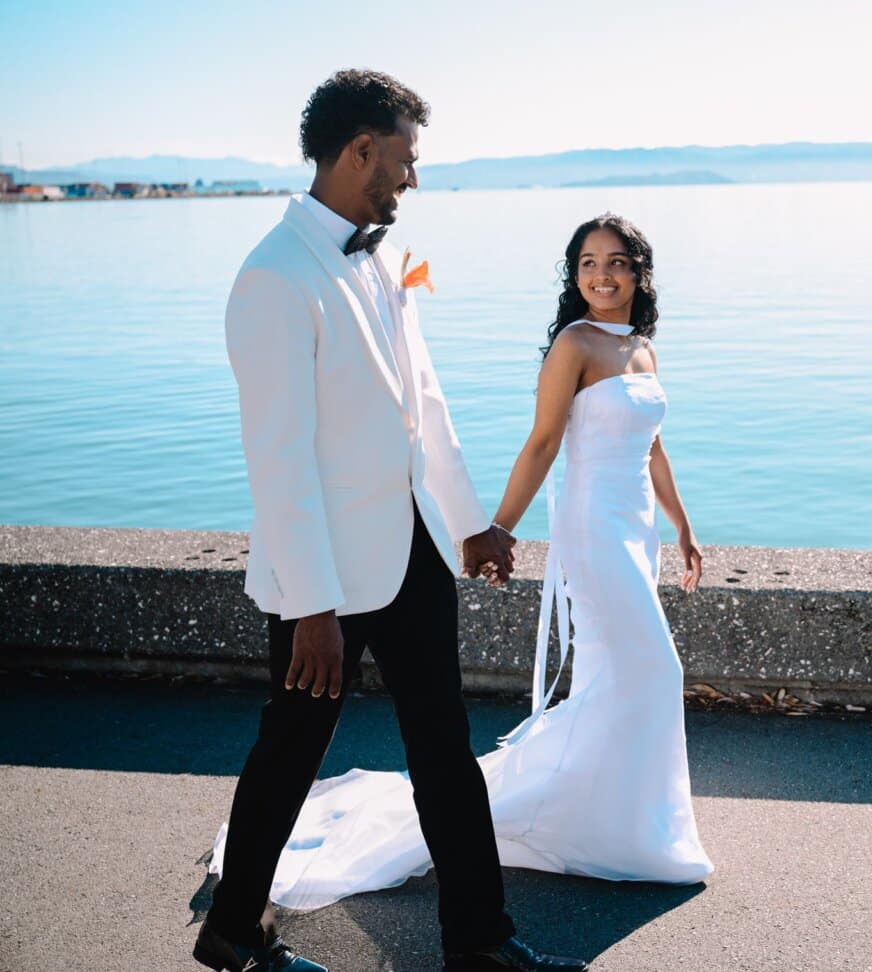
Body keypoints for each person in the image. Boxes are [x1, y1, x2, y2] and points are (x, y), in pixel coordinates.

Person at [210, 213, 715, 919]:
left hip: (636, 530)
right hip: (593, 530)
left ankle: (621, 826)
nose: (601, 275)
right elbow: (541, 443)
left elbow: (654, 447)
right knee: (654, 668)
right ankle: (608, 828)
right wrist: (496, 529)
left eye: (616, 261)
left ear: (640, 270)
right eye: (587, 264)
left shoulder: (641, 349)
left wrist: (683, 526)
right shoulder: (573, 345)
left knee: (623, 677)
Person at [198, 69, 586, 972]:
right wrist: (311, 608)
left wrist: (468, 526)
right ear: (359, 150)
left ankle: (480, 944)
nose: (411, 179)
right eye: (404, 160)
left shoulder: (376, 259)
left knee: (444, 751)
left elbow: (423, 406)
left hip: (410, 554)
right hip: (324, 576)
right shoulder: (272, 277)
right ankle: (230, 933)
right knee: (290, 754)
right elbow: (280, 460)